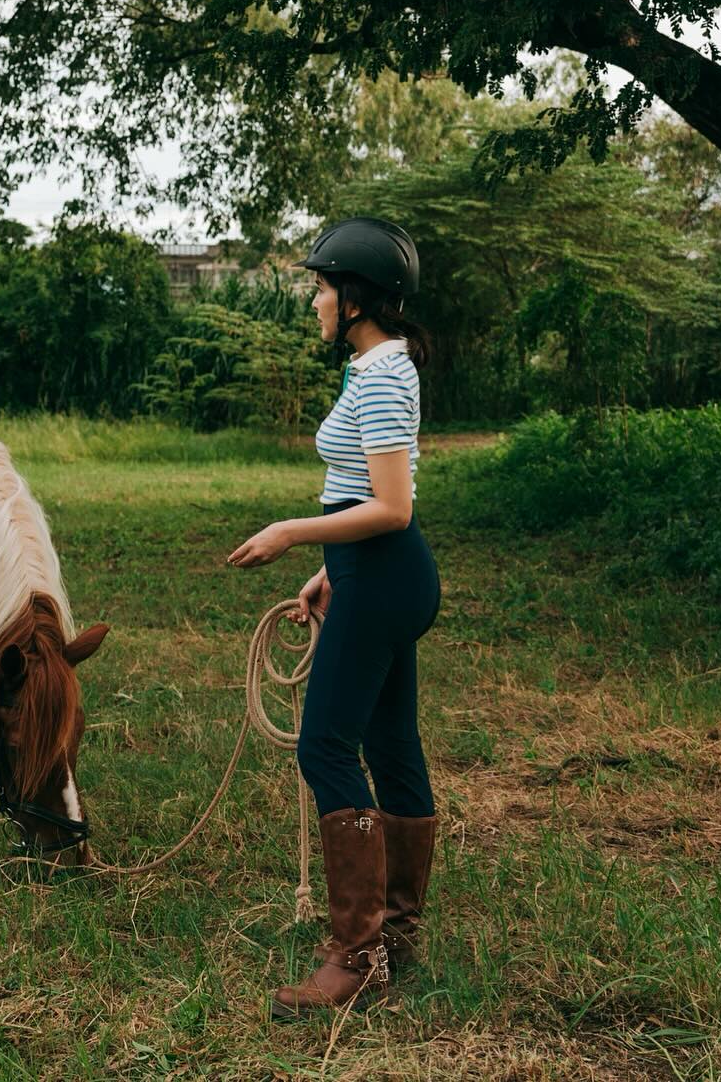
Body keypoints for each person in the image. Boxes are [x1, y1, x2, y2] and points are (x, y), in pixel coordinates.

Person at [227, 216, 442, 1021]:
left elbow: (392, 505)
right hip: (372, 576)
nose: (314, 300)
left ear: (354, 299)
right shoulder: (375, 366)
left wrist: (291, 535)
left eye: (321, 287)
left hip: (385, 576)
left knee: (326, 746)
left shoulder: (382, 375)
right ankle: (399, 932)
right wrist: (329, 570)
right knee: (388, 743)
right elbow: (368, 490)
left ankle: (358, 955)